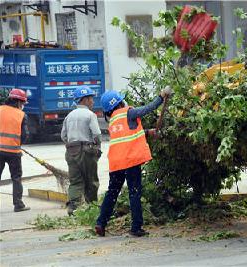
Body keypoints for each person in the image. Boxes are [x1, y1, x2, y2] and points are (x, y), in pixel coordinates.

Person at [95, 86, 172, 237]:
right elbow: (147, 109)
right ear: (118, 103)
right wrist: (161, 97)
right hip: (130, 160)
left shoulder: (113, 121)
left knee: (112, 193)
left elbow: (128, 133)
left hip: (116, 162)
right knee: (134, 193)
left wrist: (148, 132)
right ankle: (136, 227)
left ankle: (100, 223)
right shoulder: (128, 112)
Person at [61, 85, 102, 215]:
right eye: (91, 99)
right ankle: (93, 208)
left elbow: (63, 136)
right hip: (86, 151)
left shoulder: (69, 116)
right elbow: (96, 134)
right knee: (91, 181)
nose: (93, 102)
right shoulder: (90, 115)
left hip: (71, 152)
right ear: (84, 100)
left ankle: (73, 209)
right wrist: (97, 148)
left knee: (75, 181)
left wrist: (72, 144)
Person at [0, 88, 30, 212]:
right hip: (13, 153)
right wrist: (18, 144)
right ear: (18, 102)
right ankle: (18, 204)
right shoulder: (21, 115)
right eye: (22, 103)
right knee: (16, 178)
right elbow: (25, 135)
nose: (22, 106)